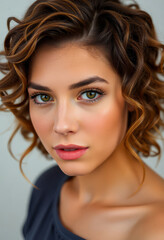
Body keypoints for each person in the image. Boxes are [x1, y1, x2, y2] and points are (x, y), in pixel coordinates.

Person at [0, 0, 164, 239]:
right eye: (43, 97)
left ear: (133, 94)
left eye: (90, 94)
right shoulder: (46, 188)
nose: (62, 125)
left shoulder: (156, 228)